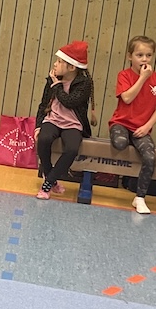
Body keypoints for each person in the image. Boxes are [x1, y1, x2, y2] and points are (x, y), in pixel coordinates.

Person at [108, 35, 156, 213]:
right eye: (140, 55)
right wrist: (142, 78)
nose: (144, 59)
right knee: (120, 143)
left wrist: (147, 126)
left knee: (150, 157)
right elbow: (127, 98)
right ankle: (128, 139)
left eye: (148, 55)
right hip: (121, 123)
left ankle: (140, 197)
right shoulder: (124, 75)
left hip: (141, 128)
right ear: (130, 56)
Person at [35, 40, 93, 199]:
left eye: (60, 61)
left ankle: (48, 182)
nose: (55, 64)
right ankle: (50, 180)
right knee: (43, 139)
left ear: (72, 67)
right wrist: (38, 126)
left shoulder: (84, 83)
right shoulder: (52, 79)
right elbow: (43, 103)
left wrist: (57, 86)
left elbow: (70, 101)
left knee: (72, 149)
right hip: (52, 119)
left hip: (73, 124)